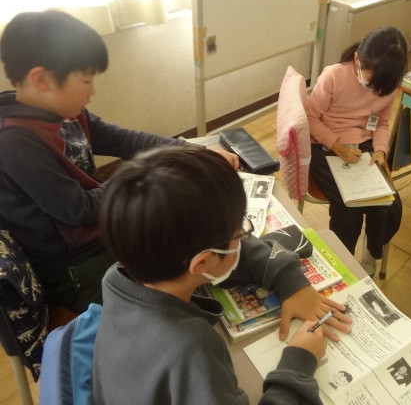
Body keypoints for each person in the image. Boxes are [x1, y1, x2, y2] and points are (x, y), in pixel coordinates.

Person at [0, 10, 238, 312]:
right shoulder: (14, 142)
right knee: (168, 296)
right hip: (77, 267)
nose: (92, 91)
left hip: (106, 231)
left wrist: (190, 151)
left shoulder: (65, 112)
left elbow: (126, 140)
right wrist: (147, 176)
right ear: (42, 79)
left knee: (194, 244)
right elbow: (78, 209)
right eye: (86, 80)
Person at [93, 146, 352, 404]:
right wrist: (299, 361)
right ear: (201, 263)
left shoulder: (119, 277)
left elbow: (216, 249)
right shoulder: (193, 349)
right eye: (240, 232)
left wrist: (289, 280)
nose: (244, 238)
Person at [306, 26, 407, 276]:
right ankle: (342, 265)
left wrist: (380, 151)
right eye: (371, 82)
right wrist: (337, 146)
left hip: (364, 147)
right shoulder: (333, 76)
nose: (372, 90)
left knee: (389, 205)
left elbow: (381, 123)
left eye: (380, 87)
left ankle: (371, 254)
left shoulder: (390, 85)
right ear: (357, 59)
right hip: (324, 146)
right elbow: (310, 118)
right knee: (348, 210)